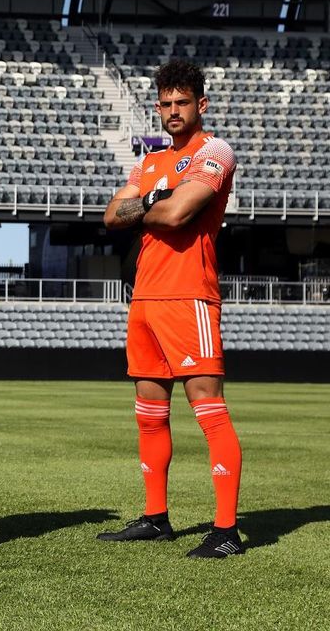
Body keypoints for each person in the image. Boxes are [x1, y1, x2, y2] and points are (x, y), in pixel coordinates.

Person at [99, 59, 243, 558]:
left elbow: (180, 213)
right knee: (149, 413)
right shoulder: (150, 161)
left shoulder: (215, 151)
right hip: (144, 298)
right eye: (165, 104)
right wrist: (157, 197)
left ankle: (226, 532)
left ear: (201, 104)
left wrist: (150, 203)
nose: (173, 111)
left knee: (209, 410)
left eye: (182, 102)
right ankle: (156, 517)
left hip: (189, 296)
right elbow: (111, 215)